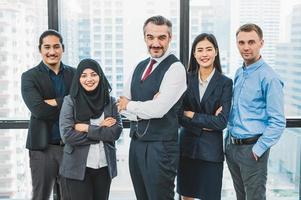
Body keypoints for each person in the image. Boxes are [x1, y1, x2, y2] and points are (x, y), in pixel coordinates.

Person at [117, 15, 187, 200]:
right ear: (145, 38)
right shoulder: (139, 66)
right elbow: (121, 107)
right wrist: (144, 107)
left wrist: (132, 105)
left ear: (170, 38)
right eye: (150, 37)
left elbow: (158, 110)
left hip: (161, 148)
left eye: (161, 37)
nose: (155, 43)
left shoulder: (175, 69)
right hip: (137, 144)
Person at [225, 23, 286, 200]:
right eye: (241, 42)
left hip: (253, 149)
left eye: (251, 42)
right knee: (240, 196)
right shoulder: (239, 73)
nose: (246, 47)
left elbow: (278, 121)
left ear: (261, 43)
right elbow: (238, 109)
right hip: (232, 146)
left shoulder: (269, 77)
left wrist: (258, 149)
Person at [176, 33, 233, 200]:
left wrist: (192, 115)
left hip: (211, 153)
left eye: (208, 49)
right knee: (186, 196)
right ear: (194, 54)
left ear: (216, 52)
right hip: (187, 149)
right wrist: (207, 121)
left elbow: (221, 122)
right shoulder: (186, 79)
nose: (204, 54)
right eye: (200, 50)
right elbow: (179, 115)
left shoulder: (225, 83)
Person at [21, 29, 75, 200]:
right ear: (40, 50)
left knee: (72, 196)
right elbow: (38, 109)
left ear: (63, 48)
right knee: (40, 196)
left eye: (56, 47)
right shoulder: (29, 77)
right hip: (42, 149)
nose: (52, 52)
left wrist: (53, 102)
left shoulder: (75, 74)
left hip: (71, 147)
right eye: (47, 47)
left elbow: (82, 106)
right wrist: (67, 103)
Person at [59, 58, 122, 200]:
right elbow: (67, 135)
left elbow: (115, 132)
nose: (89, 79)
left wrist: (87, 128)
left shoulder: (110, 101)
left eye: (93, 74)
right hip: (77, 168)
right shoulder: (70, 101)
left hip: (104, 167)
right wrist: (100, 130)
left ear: (100, 76)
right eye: (84, 75)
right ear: (78, 79)